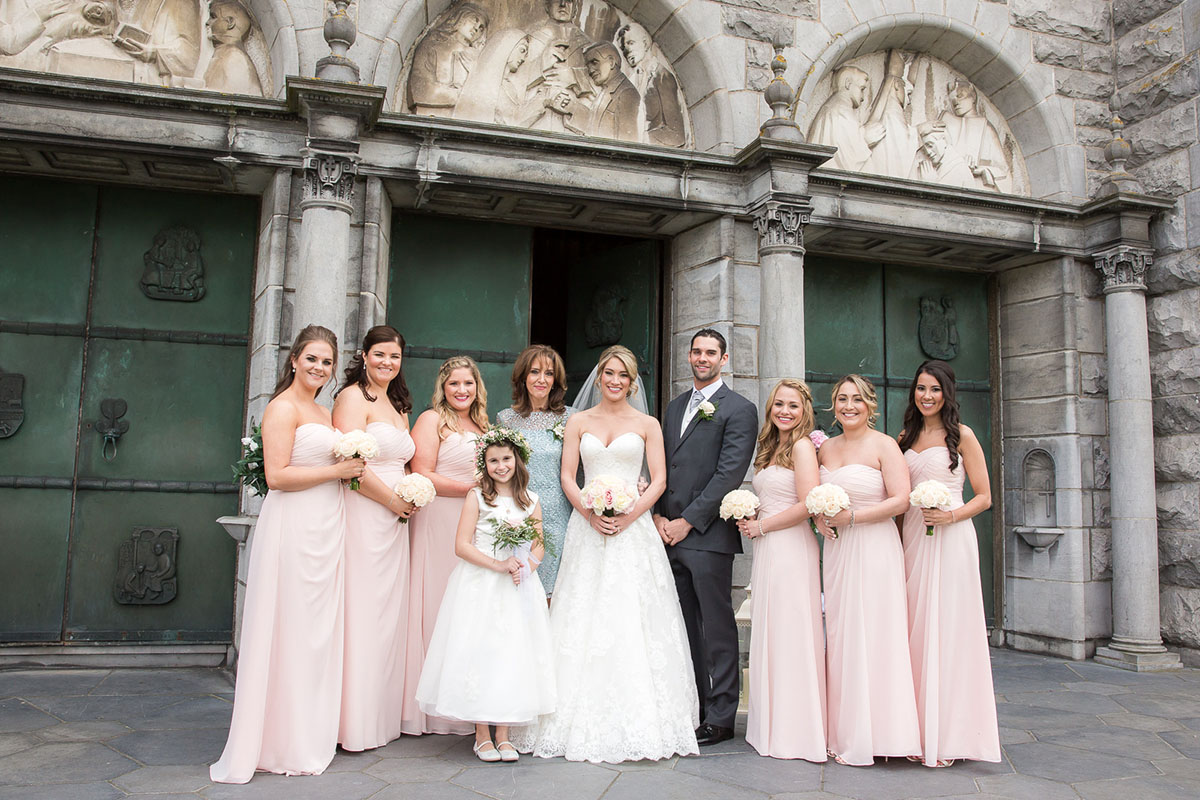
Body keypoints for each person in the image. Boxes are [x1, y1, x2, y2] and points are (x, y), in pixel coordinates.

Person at [512, 345, 699, 763]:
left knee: (633, 613)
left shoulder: (648, 423)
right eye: (609, 373)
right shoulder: (578, 421)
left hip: (633, 532)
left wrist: (630, 515)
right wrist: (590, 512)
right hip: (588, 527)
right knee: (582, 612)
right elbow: (567, 474)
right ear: (598, 378)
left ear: (633, 382)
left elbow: (659, 479)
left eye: (623, 375)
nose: (615, 381)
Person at [210, 325, 364, 784]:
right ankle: (279, 739)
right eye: (312, 358)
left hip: (325, 526)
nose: (320, 367)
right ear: (294, 359)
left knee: (314, 631)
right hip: (293, 525)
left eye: (327, 362)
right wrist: (338, 468)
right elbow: (276, 476)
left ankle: (307, 731)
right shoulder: (280, 407)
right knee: (289, 627)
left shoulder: (322, 408)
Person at [415, 428, 555, 763]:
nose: (501, 465)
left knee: (511, 652)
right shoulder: (476, 497)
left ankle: (504, 734)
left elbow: (538, 543)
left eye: (506, 458)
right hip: (481, 583)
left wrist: (527, 569)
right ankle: (482, 735)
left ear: (517, 460)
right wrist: (498, 564)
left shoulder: (531, 500)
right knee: (481, 650)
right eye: (493, 460)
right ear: (484, 464)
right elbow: (461, 545)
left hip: (517, 586)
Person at [654, 329, 758, 747]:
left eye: (710, 352)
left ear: (724, 358)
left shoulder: (739, 409)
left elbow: (728, 475)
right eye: (696, 351)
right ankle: (693, 708)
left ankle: (721, 716)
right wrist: (661, 517)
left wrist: (687, 521)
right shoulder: (675, 406)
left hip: (708, 537)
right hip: (668, 535)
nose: (702, 358)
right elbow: (662, 466)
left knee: (716, 629)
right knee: (684, 630)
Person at [898, 360, 1000, 768]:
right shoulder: (904, 437)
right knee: (913, 628)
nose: (927, 396)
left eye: (934, 390)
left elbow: (984, 497)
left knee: (948, 630)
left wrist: (950, 516)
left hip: (951, 537)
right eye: (921, 389)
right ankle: (913, 729)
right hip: (911, 537)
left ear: (947, 393)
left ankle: (949, 733)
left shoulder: (964, 436)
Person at [814, 375, 920, 766]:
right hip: (839, 553)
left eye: (856, 399)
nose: (848, 406)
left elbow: (901, 501)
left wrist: (852, 516)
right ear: (833, 405)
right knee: (842, 636)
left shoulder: (884, 445)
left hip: (875, 549)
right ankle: (846, 732)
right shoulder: (825, 449)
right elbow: (816, 500)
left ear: (870, 404)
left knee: (877, 633)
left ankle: (886, 733)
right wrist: (819, 521)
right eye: (842, 399)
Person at [333, 326, 416, 752]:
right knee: (363, 612)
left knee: (388, 615)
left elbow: (402, 461)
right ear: (364, 355)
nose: (387, 363)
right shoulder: (351, 398)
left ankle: (382, 717)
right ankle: (355, 722)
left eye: (395, 357)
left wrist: (411, 497)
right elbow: (351, 467)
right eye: (380, 355)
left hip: (396, 523)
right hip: (367, 513)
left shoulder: (399, 404)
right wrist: (392, 502)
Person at [736, 379, 826, 761]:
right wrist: (752, 514)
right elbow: (775, 496)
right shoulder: (770, 448)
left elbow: (807, 504)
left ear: (805, 410)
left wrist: (762, 525)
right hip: (769, 546)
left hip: (790, 547)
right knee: (772, 631)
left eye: (793, 405)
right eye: (778, 405)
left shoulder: (804, 447)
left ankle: (795, 729)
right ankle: (771, 723)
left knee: (791, 632)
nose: (785, 412)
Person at [401, 355, 488, 736]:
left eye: (468, 383)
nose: (462, 390)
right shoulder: (432, 420)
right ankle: (430, 707)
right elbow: (422, 472)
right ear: (443, 387)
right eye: (454, 384)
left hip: (475, 524)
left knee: (467, 609)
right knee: (437, 603)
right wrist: (472, 488)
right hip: (439, 519)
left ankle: (465, 699)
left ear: (477, 387)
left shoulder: (485, 425)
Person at [496, 345, 575, 597]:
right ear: (523, 377)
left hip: (557, 514)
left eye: (549, 374)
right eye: (535, 372)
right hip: (517, 512)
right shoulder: (505, 419)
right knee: (517, 586)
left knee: (553, 591)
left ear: (556, 381)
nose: (542, 379)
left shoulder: (570, 418)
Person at [807, 65, 885, 172]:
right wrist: (865, 139)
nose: (863, 97)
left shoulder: (836, 106)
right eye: (862, 89)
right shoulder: (840, 110)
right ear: (848, 83)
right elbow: (847, 154)